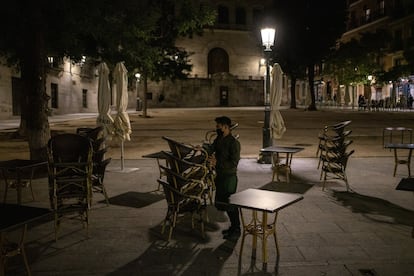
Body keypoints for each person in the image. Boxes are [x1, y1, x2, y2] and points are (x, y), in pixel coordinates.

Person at [208, 116, 241, 240]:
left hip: (229, 178)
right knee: (223, 203)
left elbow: (234, 163)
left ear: (226, 127)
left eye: (218, 126)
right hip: (221, 176)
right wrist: (204, 149)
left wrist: (217, 163)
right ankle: (233, 228)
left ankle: (237, 229)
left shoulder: (234, 143)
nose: (216, 128)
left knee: (231, 204)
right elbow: (212, 148)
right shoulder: (219, 139)